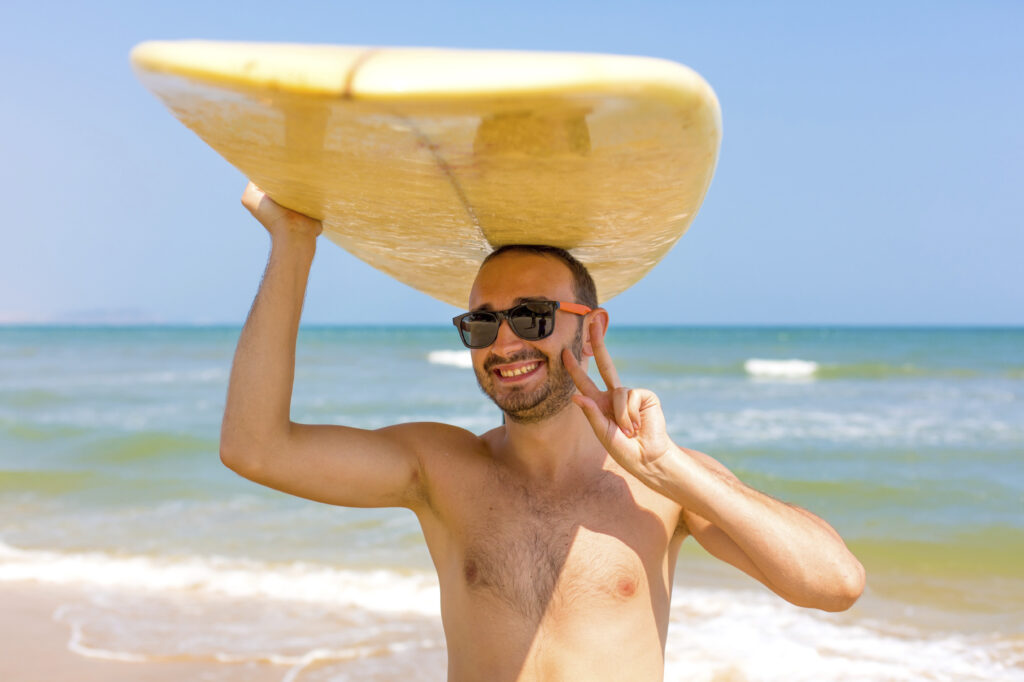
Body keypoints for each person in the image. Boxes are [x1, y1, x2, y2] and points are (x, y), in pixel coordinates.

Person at [220, 182, 865, 681]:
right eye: (480, 323)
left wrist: (672, 472)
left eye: (532, 317)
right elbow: (254, 447)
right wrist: (294, 242)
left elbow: (835, 585)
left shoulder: (665, 487)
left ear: (591, 330)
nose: (503, 341)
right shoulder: (440, 468)